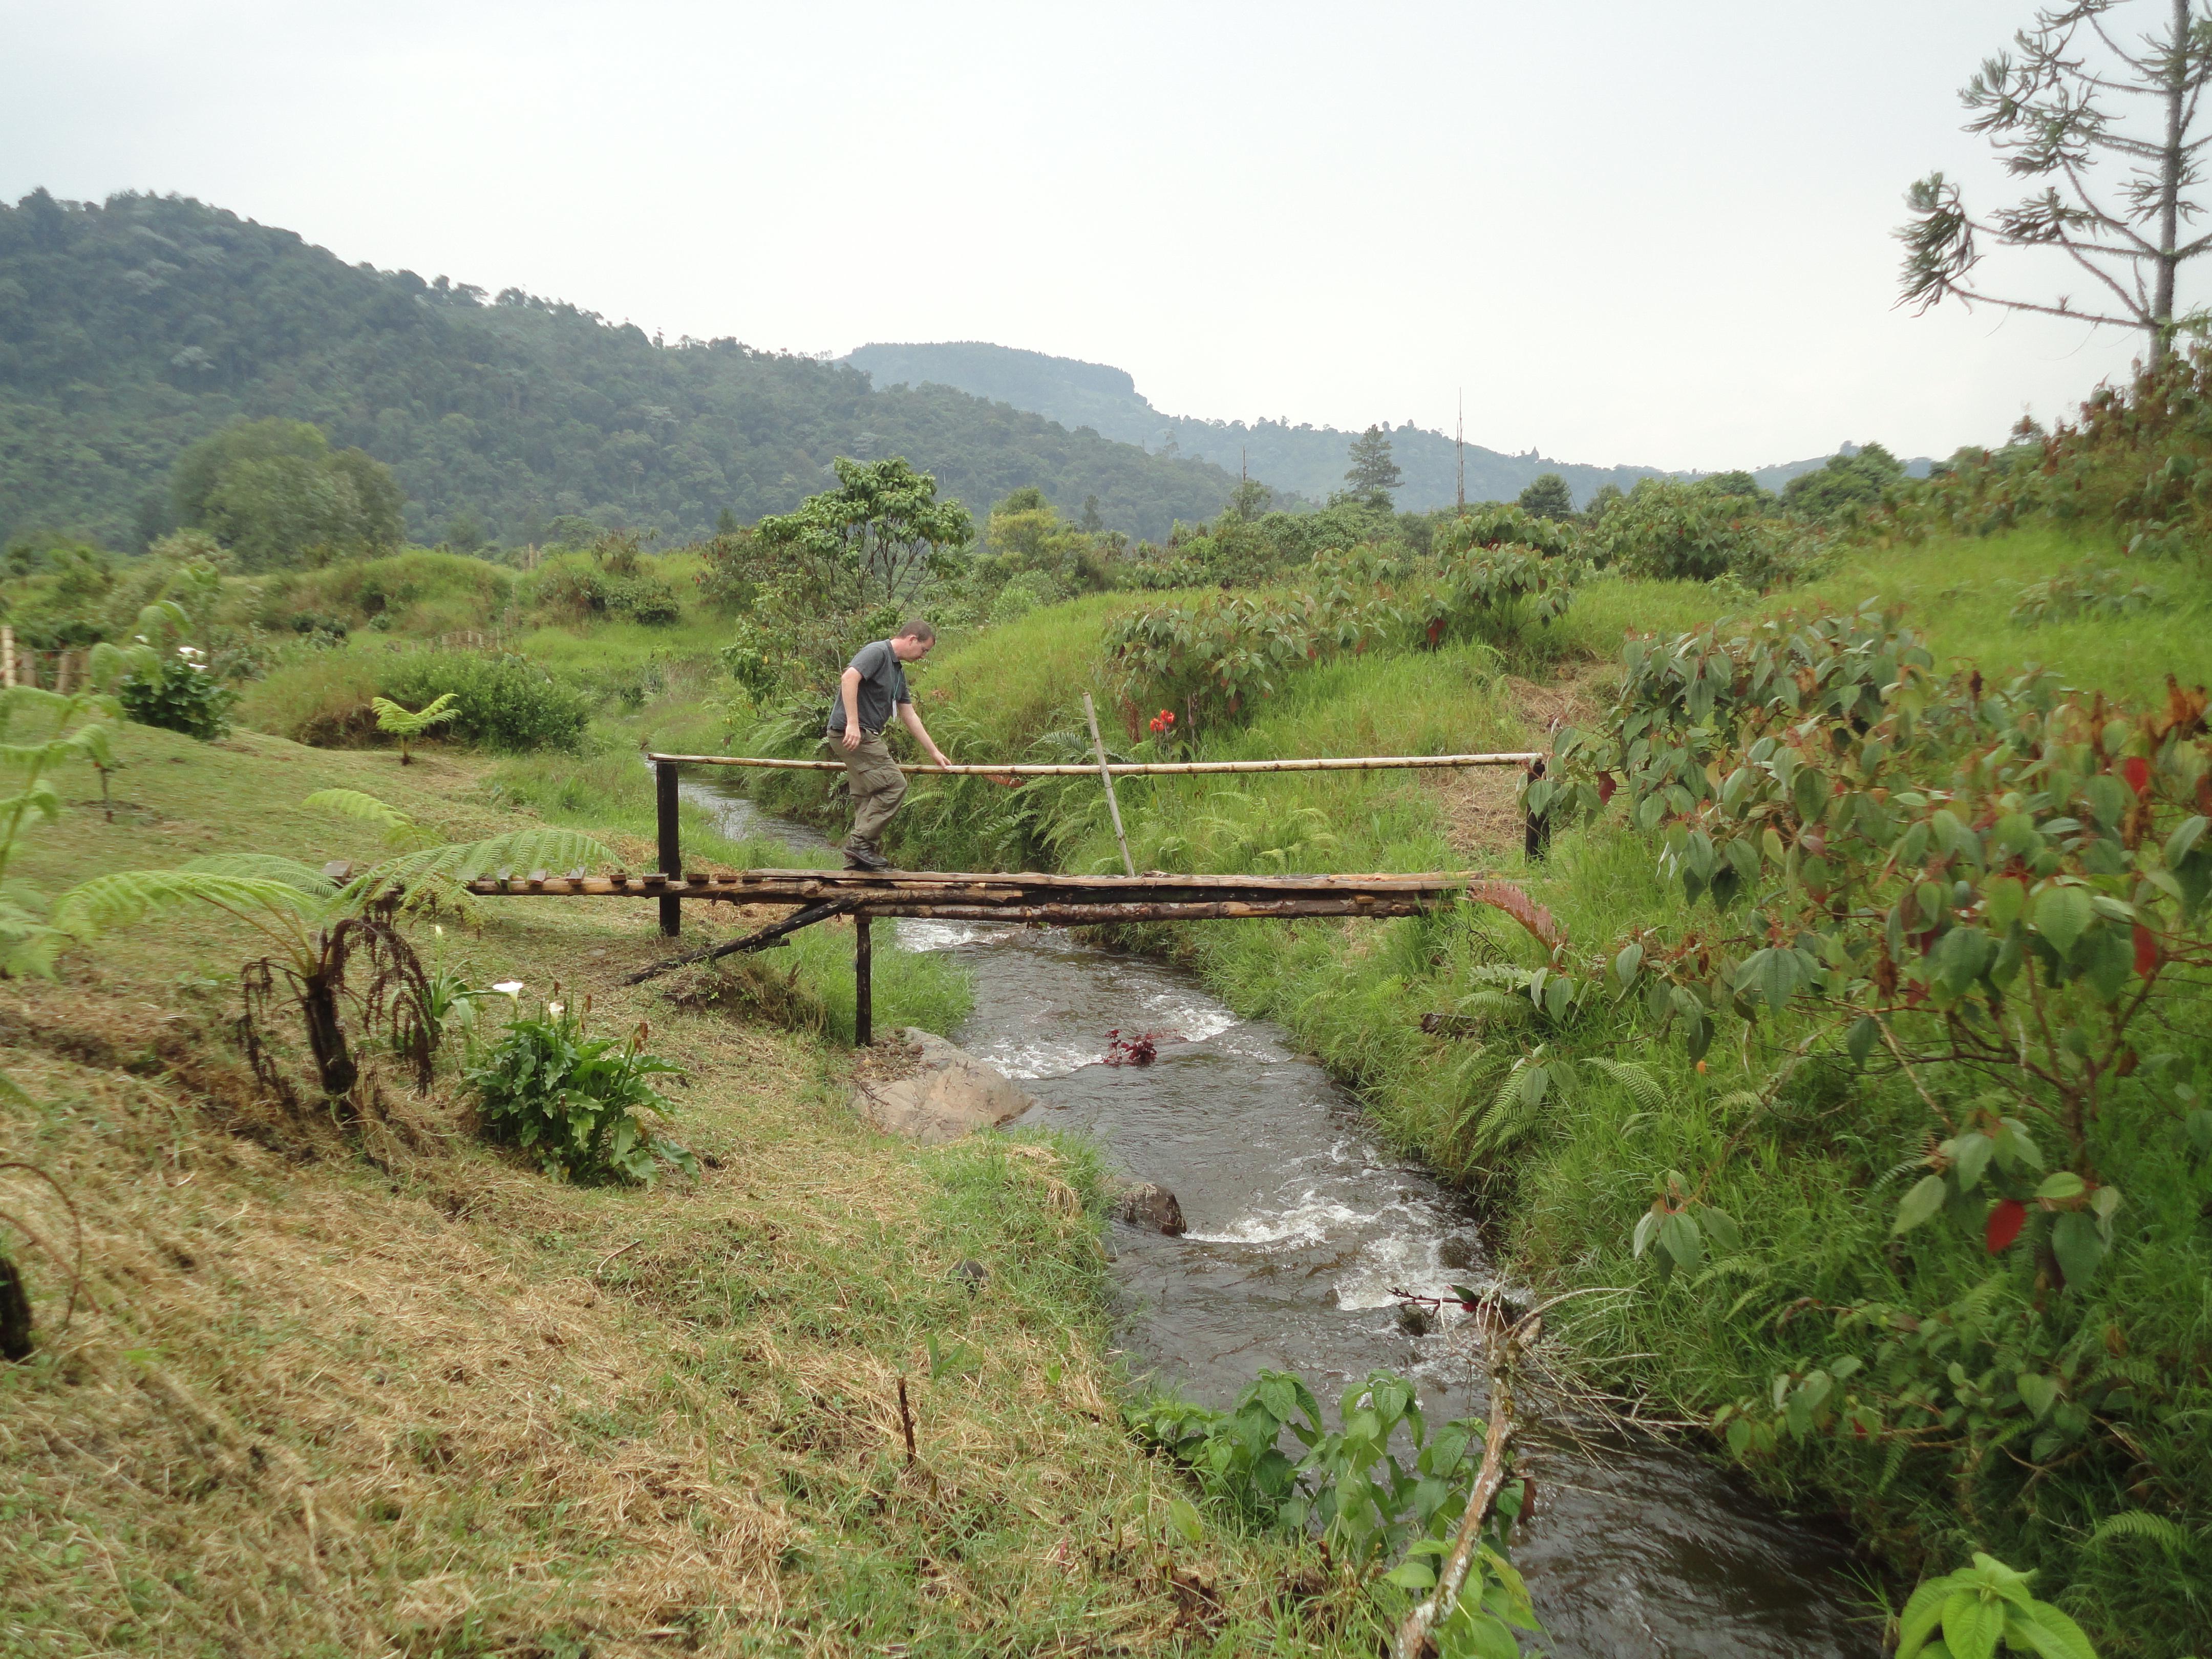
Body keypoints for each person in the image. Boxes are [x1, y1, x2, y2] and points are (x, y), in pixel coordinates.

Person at [826, 620, 950, 870]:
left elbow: (909, 714)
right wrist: (853, 723)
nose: (923, 656)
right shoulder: (878, 652)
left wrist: (934, 752)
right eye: (924, 650)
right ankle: (859, 844)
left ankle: (858, 860)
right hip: (855, 733)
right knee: (894, 785)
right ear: (912, 639)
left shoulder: (897, 672)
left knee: (866, 795)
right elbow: (849, 678)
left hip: (862, 734)